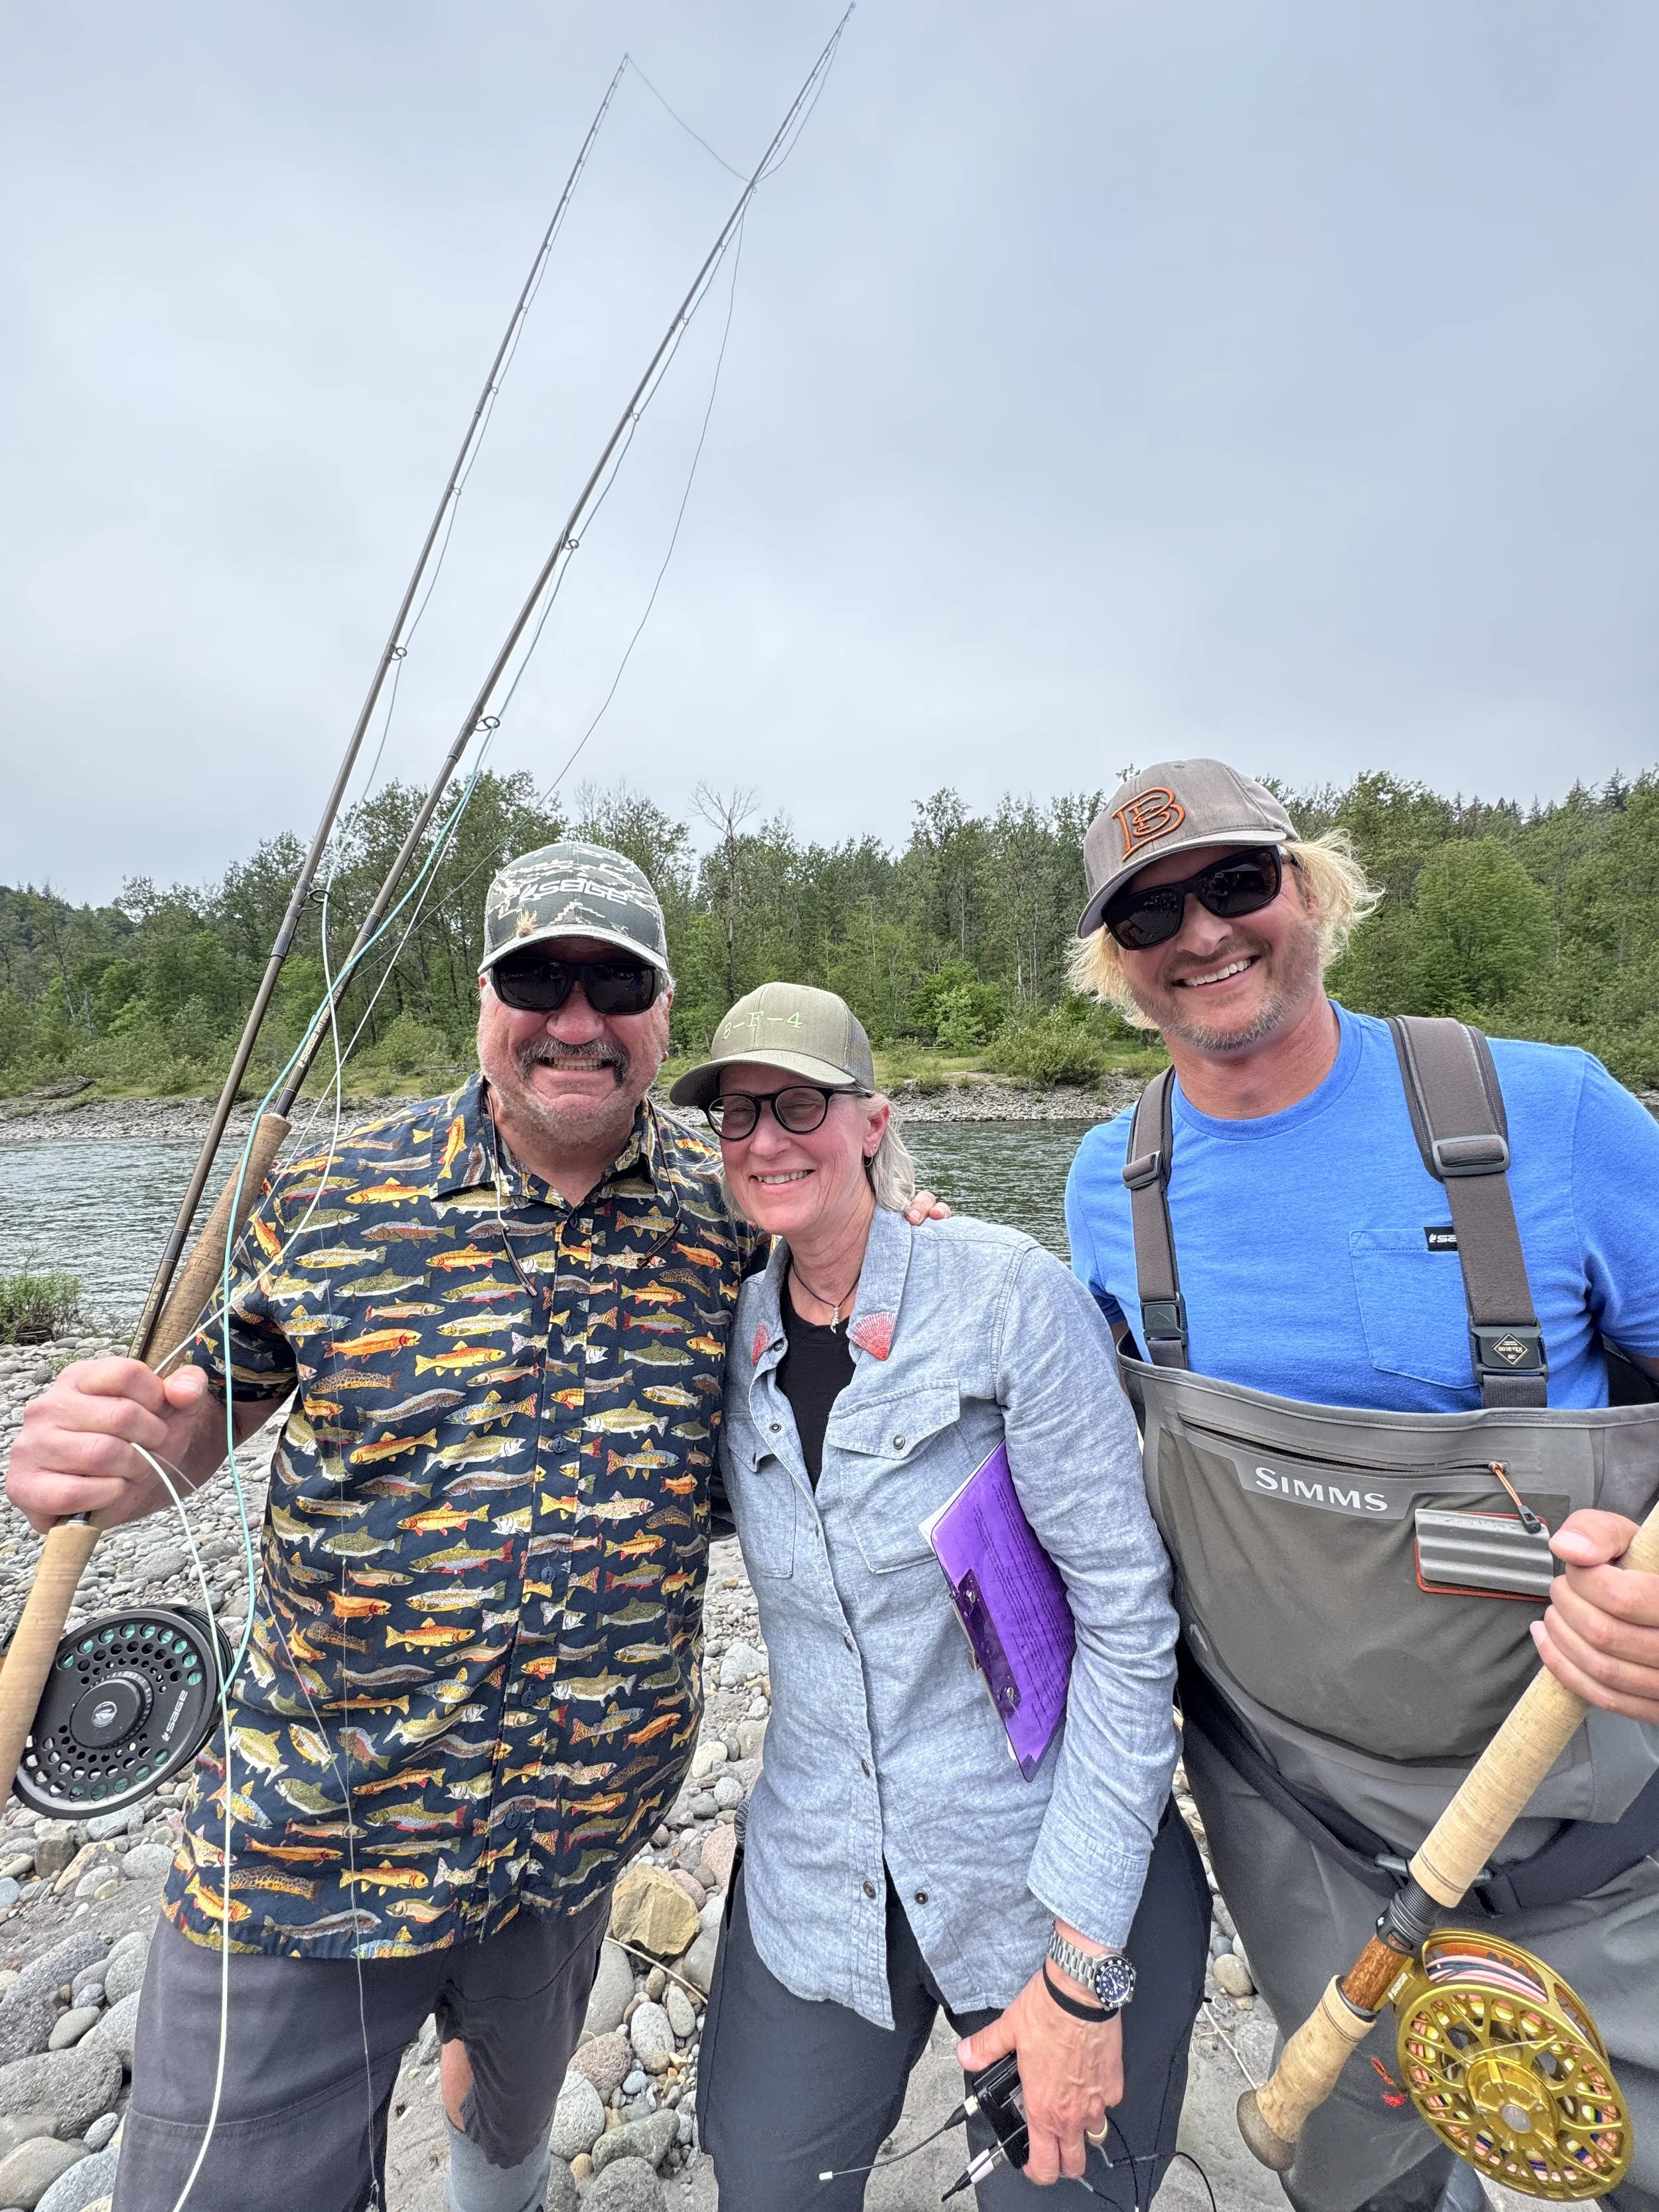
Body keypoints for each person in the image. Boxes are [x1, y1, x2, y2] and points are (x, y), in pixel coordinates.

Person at [7, 843, 948, 2212]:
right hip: (310, 1842)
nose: (575, 1018)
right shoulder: (336, 1194)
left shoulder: (724, 1216)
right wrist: (107, 1450)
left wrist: (905, 1230)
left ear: (663, 1012)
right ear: (483, 1001)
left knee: (505, 2135)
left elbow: (846, 1278)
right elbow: (192, 1419)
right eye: (538, 978)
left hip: (569, 1843)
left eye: (612, 982)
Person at [1063, 761, 1659, 2212]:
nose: (1199, 931)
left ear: (1309, 887)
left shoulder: (1548, 1112)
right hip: (1295, 1833)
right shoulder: (1100, 1182)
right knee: (1369, 2183)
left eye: (1233, 883)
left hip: (1602, 1833)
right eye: (1149, 913)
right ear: (1114, 967)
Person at [670, 980, 1212, 2209]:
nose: (765, 1140)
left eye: (800, 1104)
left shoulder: (1007, 1297)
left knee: (1059, 2187)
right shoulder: (722, 1328)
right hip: (820, 1868)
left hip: (1038, 1863)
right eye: (737, 1115)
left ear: (873, 1121)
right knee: (765, 2182)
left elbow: (1131, 1627)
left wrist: (1083, 1966)